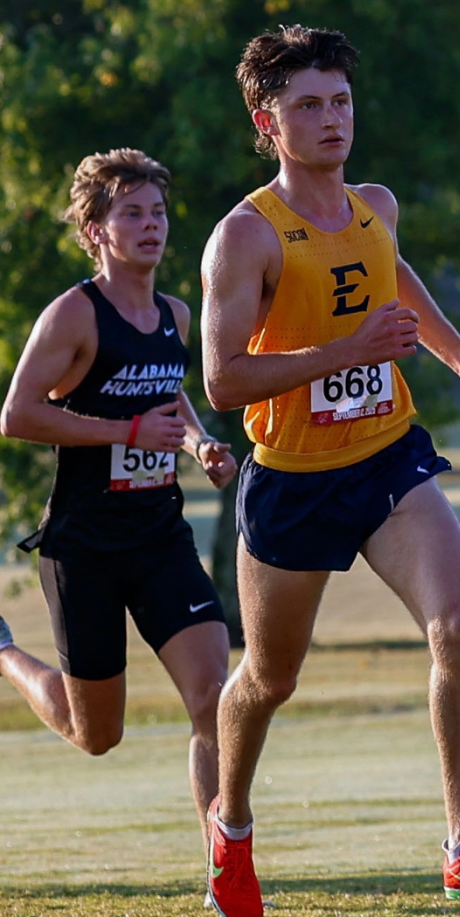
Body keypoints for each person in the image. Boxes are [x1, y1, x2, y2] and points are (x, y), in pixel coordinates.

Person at [198, 26, 460, 916]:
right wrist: (340, 351)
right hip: (292, 481)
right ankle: (229, 830)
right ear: (267, 121)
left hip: (388, 457)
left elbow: (397, 287)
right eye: (308, 105)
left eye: (340, 100)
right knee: (270, 680)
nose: (331, 118)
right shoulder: (244, 237)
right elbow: (224, 380)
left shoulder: (375, 204)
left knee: (458, 627)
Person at [0, 148, 237, 851]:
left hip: (160, 536)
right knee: (96, 734)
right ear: (97, 229)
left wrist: (199, 446)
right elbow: (16, 415)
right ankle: (5, 652)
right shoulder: (73, 316)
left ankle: (225, 866)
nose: (150, 225)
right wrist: (124, 431)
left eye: (158, 212)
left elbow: (171, 393)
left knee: (214, 702)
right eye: (130, 213)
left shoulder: (176, 314)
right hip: (85, 547)